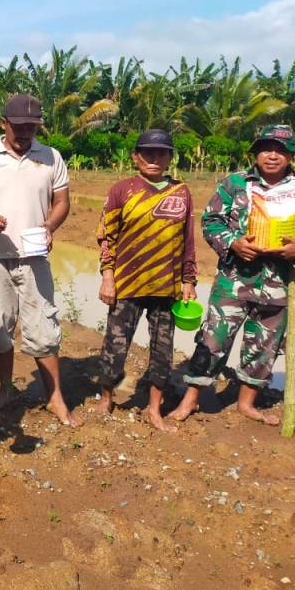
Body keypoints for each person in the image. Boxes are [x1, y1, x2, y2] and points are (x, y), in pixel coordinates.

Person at [0, 93, 81, 426]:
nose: (26, 132)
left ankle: (55, 399)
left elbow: (62, 201)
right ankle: (6, 389)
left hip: (35, 256)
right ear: (4, 124)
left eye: (32, 126)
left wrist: (50, 225)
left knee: (43, 329)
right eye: (19, 127)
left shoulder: (51, 157)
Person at [171, 124, 295, 426]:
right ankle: (190, 400)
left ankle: (246, 403)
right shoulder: (234, 183)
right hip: (234, 279)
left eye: (281, 150)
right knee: (212, 340)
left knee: (264, 346)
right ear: (255, 153)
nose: (273, 156)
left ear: (292, 155)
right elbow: (212, 220)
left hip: (279, 283)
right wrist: (233, 242)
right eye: (267, 149)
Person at [95, 129, 198, 432]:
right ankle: (106, 397)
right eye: (148, 153)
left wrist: (188, 280)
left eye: (161, 153)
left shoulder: (182, 192)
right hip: (126, 284)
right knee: (115, 345)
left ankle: (154, 409)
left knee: (163, 351)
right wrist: (108, 277)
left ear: (169, 157)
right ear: (136, 156)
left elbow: (188, 241)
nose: (154, 158)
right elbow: (106, 238)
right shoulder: (121, 190)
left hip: (166, 287)